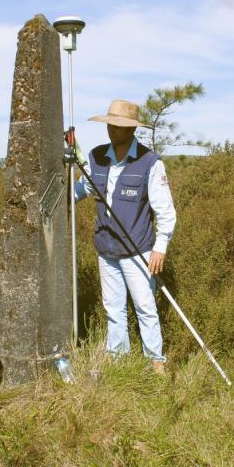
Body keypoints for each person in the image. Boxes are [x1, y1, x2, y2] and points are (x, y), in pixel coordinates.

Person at [73, 99, 177, 373]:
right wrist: (65, 197)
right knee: (113, 309)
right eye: (110, 124)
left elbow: (165, 210)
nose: (112, 130)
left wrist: (160, 247)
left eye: (118, 126)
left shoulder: (149, 162)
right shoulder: (96, 157)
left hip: (139, 250)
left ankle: (155, 361)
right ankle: (118, 359)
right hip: (106, 249)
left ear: (131, 130)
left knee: (145, 308)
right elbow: (83, 188)